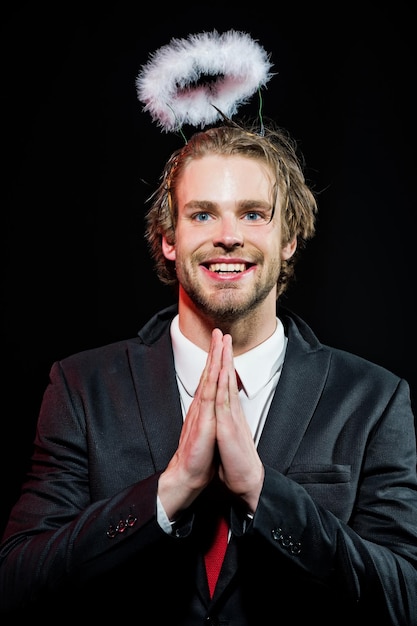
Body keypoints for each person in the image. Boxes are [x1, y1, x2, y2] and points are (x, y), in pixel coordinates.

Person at [1, 118, 417, 625]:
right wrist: (169, 490)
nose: (227, 237)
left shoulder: (375, 399)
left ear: (289, 238)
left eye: (253, 214)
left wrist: (264, 493)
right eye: (201, 215)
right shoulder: (81, 388)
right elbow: (18, 583)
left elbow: (403, 598)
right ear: (168, 239)